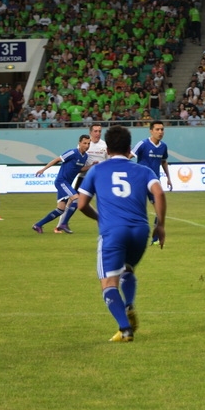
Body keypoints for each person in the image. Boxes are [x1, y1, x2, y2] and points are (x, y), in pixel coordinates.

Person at [77, 125, 166, 343]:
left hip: (113, 231)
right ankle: (129, 304)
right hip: (140, 231)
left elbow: (81, 205)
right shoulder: (144, 171)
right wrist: (160, 225)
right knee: (127, 269)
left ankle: (125, 329)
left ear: (107, 149)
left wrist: (99, 218)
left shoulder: (98, 170)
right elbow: (159, 193)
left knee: (108, 283)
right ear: (129, 148)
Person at [32, 134, 90, 234]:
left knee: (60, 209)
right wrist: (43, 169)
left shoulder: (85, 157)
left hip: (67, 183)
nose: (87, 145)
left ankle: (38, 225)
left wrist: (92, 166)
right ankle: (64, 223)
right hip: (61, 181)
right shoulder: (72, 152)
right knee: (77, 199)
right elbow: (57, 159)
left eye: (88, 143)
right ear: (79, 143)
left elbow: (79, 169)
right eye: (84, 143)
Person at [59, 123, 108, 232]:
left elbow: (108, 160)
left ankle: (105, 224)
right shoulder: (85, 144)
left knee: (105, 200)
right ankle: (62, 223)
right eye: (95, 131)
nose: (98, 133)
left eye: (99, 131)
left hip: (100, 178)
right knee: (74, 201)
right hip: (84, 177)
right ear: (90, 132)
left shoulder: (104, 145)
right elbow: (77, 161)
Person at [130, 120, 173, 246]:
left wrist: (169, 178)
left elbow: (163, 161)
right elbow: (129, 156)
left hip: (154, 182)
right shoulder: (142, 144)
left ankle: (156, 237)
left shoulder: (163, 146)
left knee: (159, 208)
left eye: (162, 129)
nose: (160, 132)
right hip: (140, 182)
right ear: (151, 131)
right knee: (137, 209)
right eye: (157, 129)